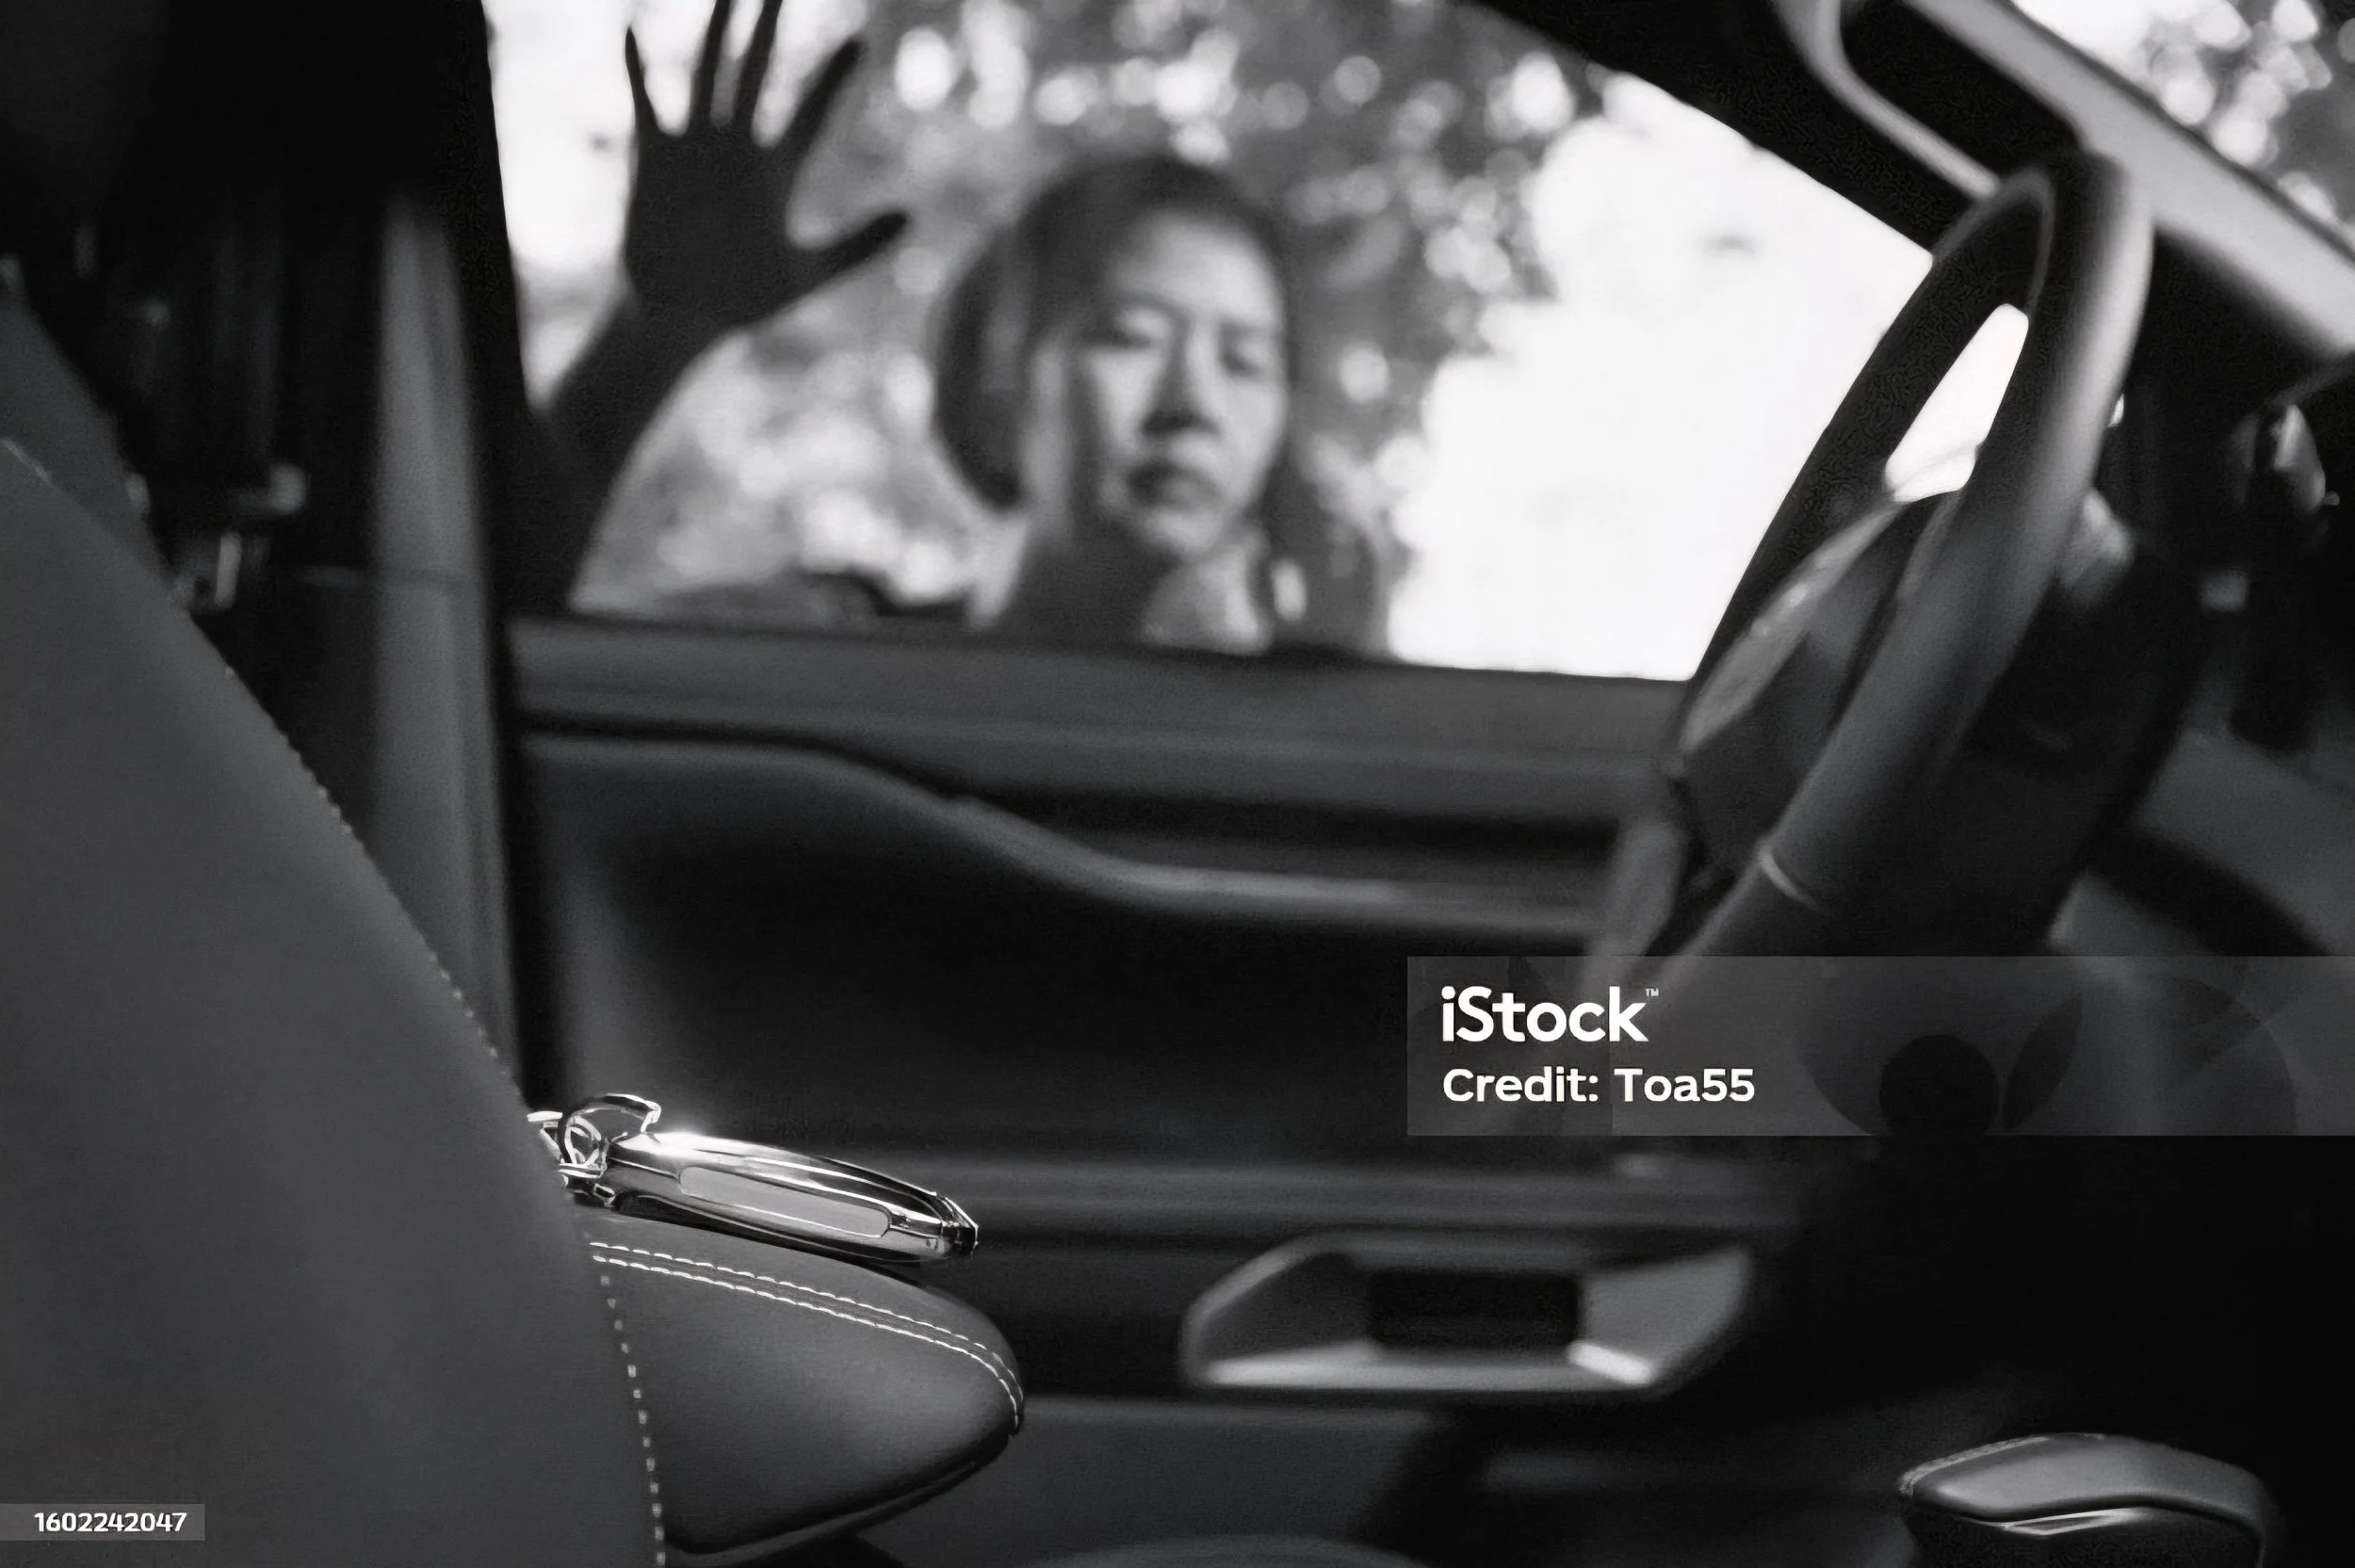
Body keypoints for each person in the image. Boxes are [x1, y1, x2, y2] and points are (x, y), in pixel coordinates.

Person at [543, 0, 1387, 655]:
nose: (1194, 403)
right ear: (1000, 380)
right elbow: (466, 653)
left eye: (1245, 361)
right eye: (1132, 336)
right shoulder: (813, 648)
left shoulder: (1287, 746)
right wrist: (654, 339)